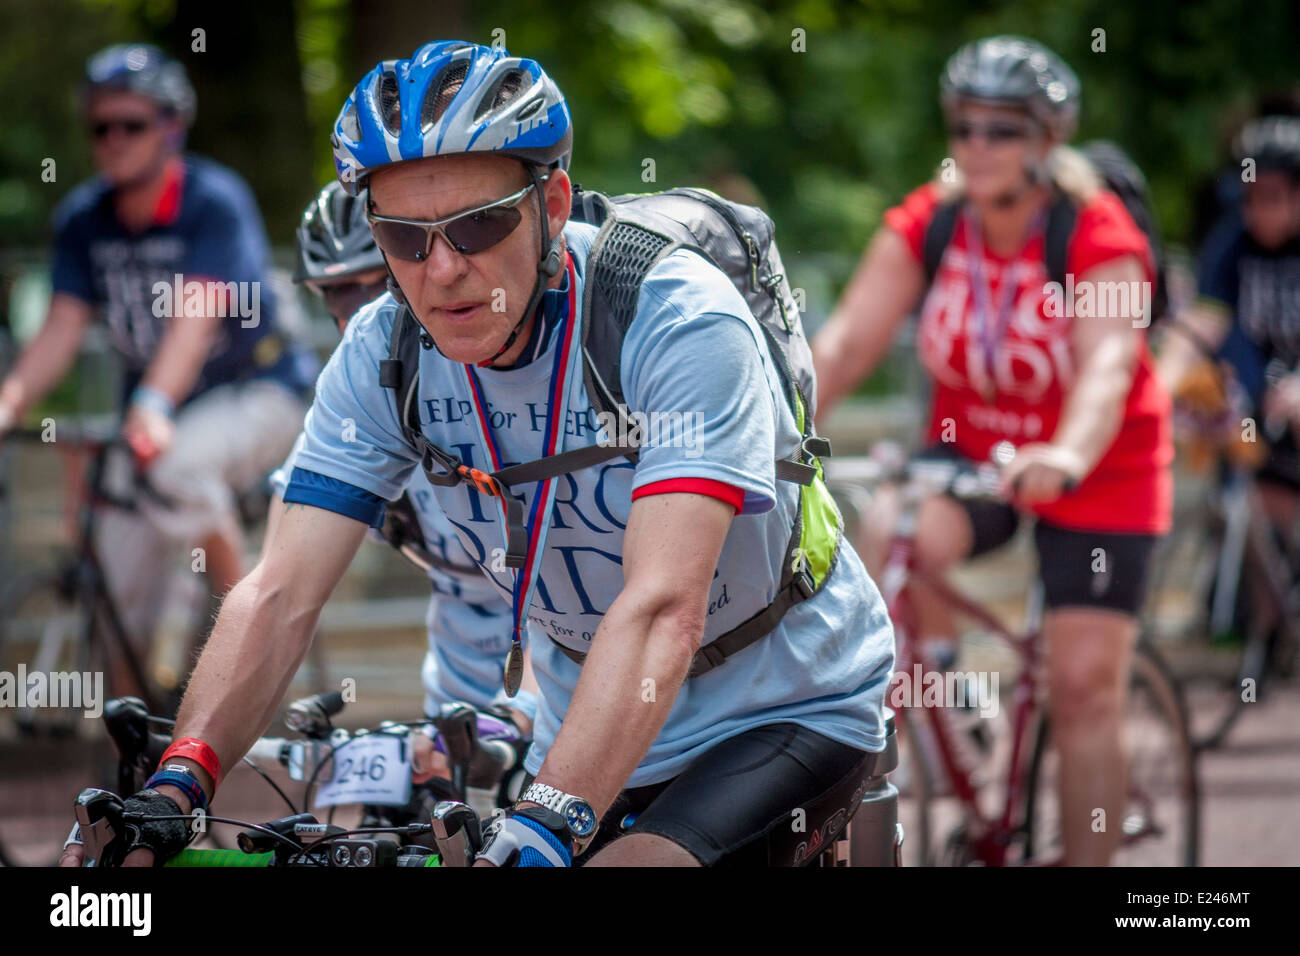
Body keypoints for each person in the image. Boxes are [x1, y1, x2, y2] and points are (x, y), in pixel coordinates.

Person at [62, 40, 893, 868]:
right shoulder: (385, 351)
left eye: (480, 224)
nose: (444, 270)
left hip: (780, 704)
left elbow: (662, 607)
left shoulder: (671, 316)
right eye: (404, 237)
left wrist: (541, 825)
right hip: (592, 720)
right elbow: (278, 591)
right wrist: (177, 787)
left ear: (554, 201)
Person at [811, 35, 1172, 866]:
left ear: (1048, 140)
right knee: (897, 530)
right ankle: (961, 708)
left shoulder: (1097, 230)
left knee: (1081, 686)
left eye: (1002, 130)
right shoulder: (930, 222)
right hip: (974, 460)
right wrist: (757, 436)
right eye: (965, 127)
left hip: (1099, 468)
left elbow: (1110, 367)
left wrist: (1068, 454)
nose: (977, 146)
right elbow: (842, 347)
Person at [0, 43, 316, 636]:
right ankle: (122, 710)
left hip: (259, 390)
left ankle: (249, 637)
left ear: (171, 127)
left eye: (132, 123)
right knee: (113, 568)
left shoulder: (213, 201)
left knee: (175, 466)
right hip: (163, 406)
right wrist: (9, 404)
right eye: (100, 126)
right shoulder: (83, 219)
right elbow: (60, 329)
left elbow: (195, 317)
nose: (113, 138)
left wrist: (151, 404)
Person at [277, 180, 535, 788]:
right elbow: (277, 584)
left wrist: (525, 714)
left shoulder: (513, 378)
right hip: (457, 683)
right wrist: (192, 756)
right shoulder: (358, 403)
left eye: (375, 283)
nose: (362, 312)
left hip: (576, 669)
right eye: (338, 293)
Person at [1157, 115, 1300, 534]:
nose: (1258, 212)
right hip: (1256, 408)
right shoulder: (1232, 242)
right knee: (1246, 517)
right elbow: (1206, 318)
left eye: (1272, 198)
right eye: (1249, 198)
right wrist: (1161, 389)